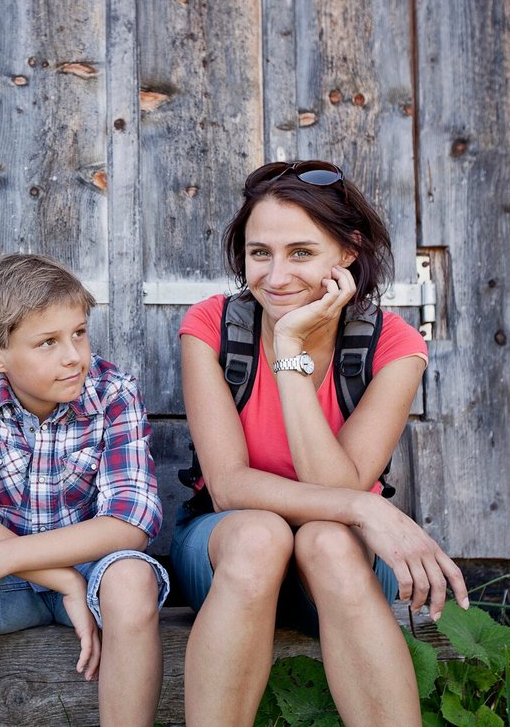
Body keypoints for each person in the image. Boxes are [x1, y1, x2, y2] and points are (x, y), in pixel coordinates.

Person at [171, 160, 470, 727]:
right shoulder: (211, 326)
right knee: (260, 534)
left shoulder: (394, 345)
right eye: (260, 253)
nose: (276, 276)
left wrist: (288, 353)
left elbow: (337, 484)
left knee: (327, 541)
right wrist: (364, 506)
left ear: (348, 252)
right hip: (226, 553)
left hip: (343, 564)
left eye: (301, 253)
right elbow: (231, 487)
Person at [0, 252, 169, 726]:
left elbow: (130, 523)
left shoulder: (114, 392)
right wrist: (57, 577)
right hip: (10, 584)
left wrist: (16, 559)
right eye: (47, 342)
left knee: (133, 578)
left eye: (78, 333)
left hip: (90, 568)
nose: (73, 355)